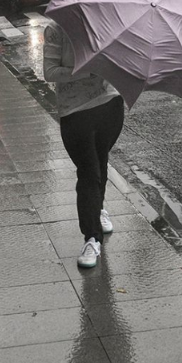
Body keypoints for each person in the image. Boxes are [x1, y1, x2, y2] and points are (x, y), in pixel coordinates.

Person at [43, 21, 124, 268]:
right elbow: (49, 72)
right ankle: (91, 238)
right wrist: (87, 70)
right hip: (75, 111)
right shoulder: (56, 30)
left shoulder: (108, 23)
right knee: (89, 172)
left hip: (109, 104)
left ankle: (97, 209)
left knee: (100, 162)